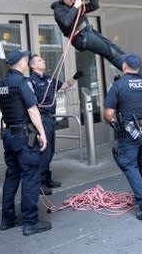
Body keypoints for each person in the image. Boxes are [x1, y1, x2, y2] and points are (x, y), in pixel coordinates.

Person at [51, 0, 142, 82]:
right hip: (80, 37)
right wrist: (76, 6)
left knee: (115, 49)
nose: (72, 0)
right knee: (110, 53)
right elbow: (66, 22)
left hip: (87, 33)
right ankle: (141, 74)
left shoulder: (76, 5)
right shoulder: (58, 8)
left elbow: (95, 5)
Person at [0, 50, 51, 236]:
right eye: (25, 59)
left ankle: (7, 219)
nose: (27, 61)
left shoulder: (1, 84)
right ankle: (30, 222)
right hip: (23, 137)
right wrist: (42, 133)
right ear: (20, 62)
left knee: (12, 176)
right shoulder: (22, 82)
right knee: (30, 176)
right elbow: (33, 110)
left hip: (9, 135)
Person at [103, 52, 142, 220]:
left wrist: (113, 121)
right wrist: (141, 116)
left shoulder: (118, 86)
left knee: (129, 165)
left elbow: (108, 113)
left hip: (129, 132)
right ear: (138, 67)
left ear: (124, 66)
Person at [29, 54, 83, 195]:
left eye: (43, 59)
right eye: (40, 60)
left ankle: (46, 178)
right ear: (33, 65)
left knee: (50, 150)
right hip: (41, 118)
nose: (44, 61)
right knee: (44, 151)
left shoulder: (49, 79)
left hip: (50, 119)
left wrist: (75, 78)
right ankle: (39, 182)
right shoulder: (31, 81)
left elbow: (64, 86)